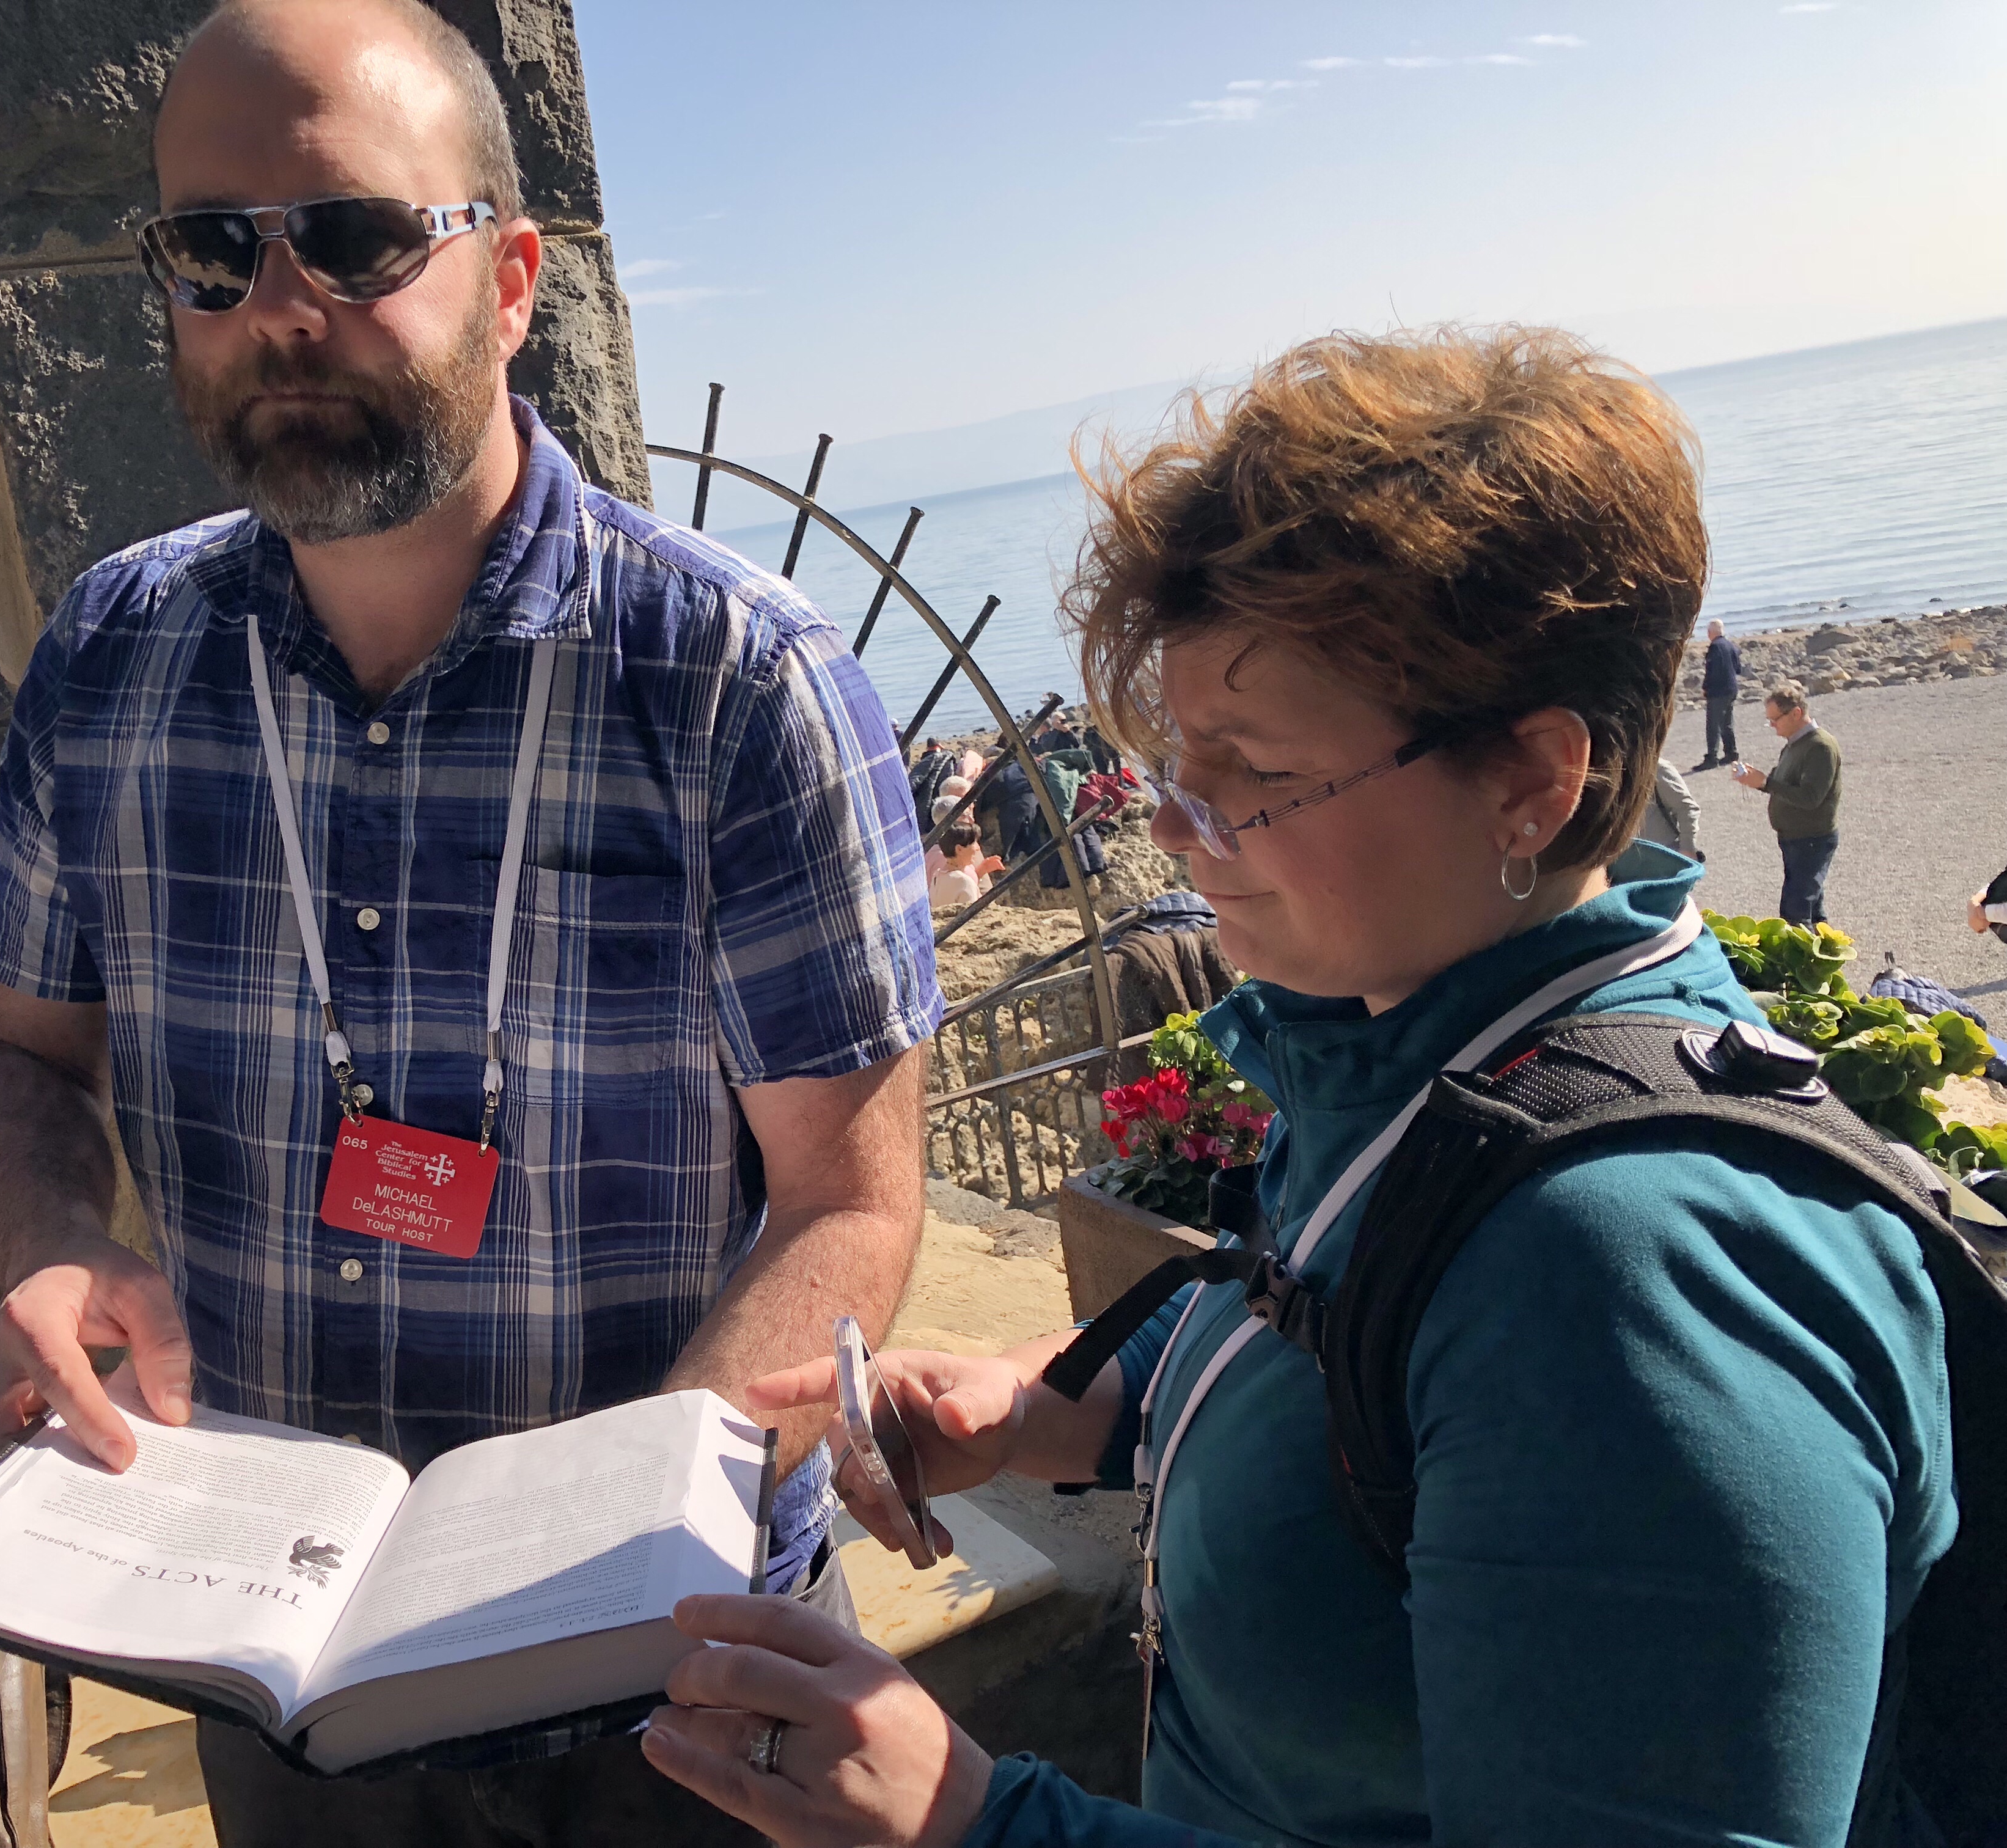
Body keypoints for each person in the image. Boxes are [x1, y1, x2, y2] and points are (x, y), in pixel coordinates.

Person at [636, 328, 1951, 1848]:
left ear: (1536, 779)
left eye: (1253, 770)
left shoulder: (1632, 1281)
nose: (1176, 826)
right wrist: (1054, 1406)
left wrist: (979, 1822)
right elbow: (1341, 1333)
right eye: (1176, 758)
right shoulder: (1438, 1051)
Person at [0, 2, 941, 1841]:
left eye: (353, 237)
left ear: (515, 279)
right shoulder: (109, 661)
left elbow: (850, 1203)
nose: (281, 309)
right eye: (213, 252)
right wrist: (54, 1243)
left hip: (679, 1669)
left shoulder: (739, 686)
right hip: (270, 1666)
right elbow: (21, 1056)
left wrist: (607, 1562)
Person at [1734, 682, 1843, 925]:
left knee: (1796, 911)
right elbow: (1781, 785)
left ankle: (1804, 950)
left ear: (1796, 713)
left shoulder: (1820, 747)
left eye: (1775, 720)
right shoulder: (1794, 744)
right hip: (1795, 839)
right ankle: (1823, 947)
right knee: (1811, 908)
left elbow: (1811, 798)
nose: (1772, 726)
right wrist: (1758, 781)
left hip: (1812, 840)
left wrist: (1766, 782)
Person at [1635, 751, 1702, 860]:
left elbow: (1686, 808)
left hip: (1663, 855)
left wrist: (1688, 849)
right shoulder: (1610, 771)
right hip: (1624, 859)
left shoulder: (1656, 768)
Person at [1694, 616, 1741, 768]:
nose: (1708, 634)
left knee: (1713, 725)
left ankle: (1712, 758)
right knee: (1727, 723)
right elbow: (1738, 668)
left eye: (1708, 631)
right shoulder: (1731, 645)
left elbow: (1711, 671)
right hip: (1731, 689)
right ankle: (1731, 753)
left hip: (1718, 691)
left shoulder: (1715, 647)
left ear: (1712, 632)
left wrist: (1706, 688)